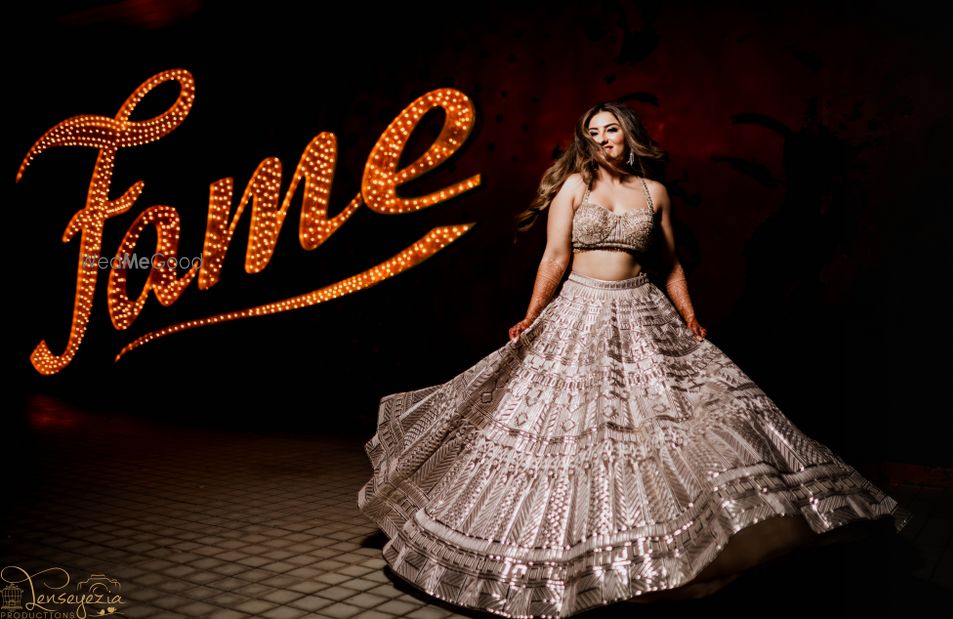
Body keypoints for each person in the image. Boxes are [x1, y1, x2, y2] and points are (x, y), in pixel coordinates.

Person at [358, 101, 912, 618]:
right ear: (586, 143)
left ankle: (663, 555)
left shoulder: (655, 193)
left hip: (642, 312)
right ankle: (563, 557)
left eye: (611, 130)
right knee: (569, 434)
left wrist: (690, 315)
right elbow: (554, 256)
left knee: (667, 429)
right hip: (579, 311)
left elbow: (670, 264)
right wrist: (530, 315)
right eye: (593, 134)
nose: (603, 140)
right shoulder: (575, 186)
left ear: (629, 136)